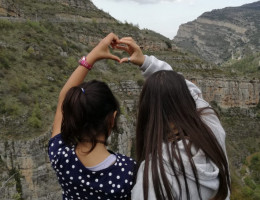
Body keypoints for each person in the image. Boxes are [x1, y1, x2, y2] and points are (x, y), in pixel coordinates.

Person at [117, 37, 231, 200]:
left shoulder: (156, 173)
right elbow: (190, 90)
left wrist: (146, 63)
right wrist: (146, 62)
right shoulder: (211, 126)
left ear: (148, 113)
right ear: (185, 101)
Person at [48, 33, 137, 200]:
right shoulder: (129, 172)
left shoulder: (60, 157)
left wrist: (93, 55)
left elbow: (62, 100)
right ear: (112, 119)